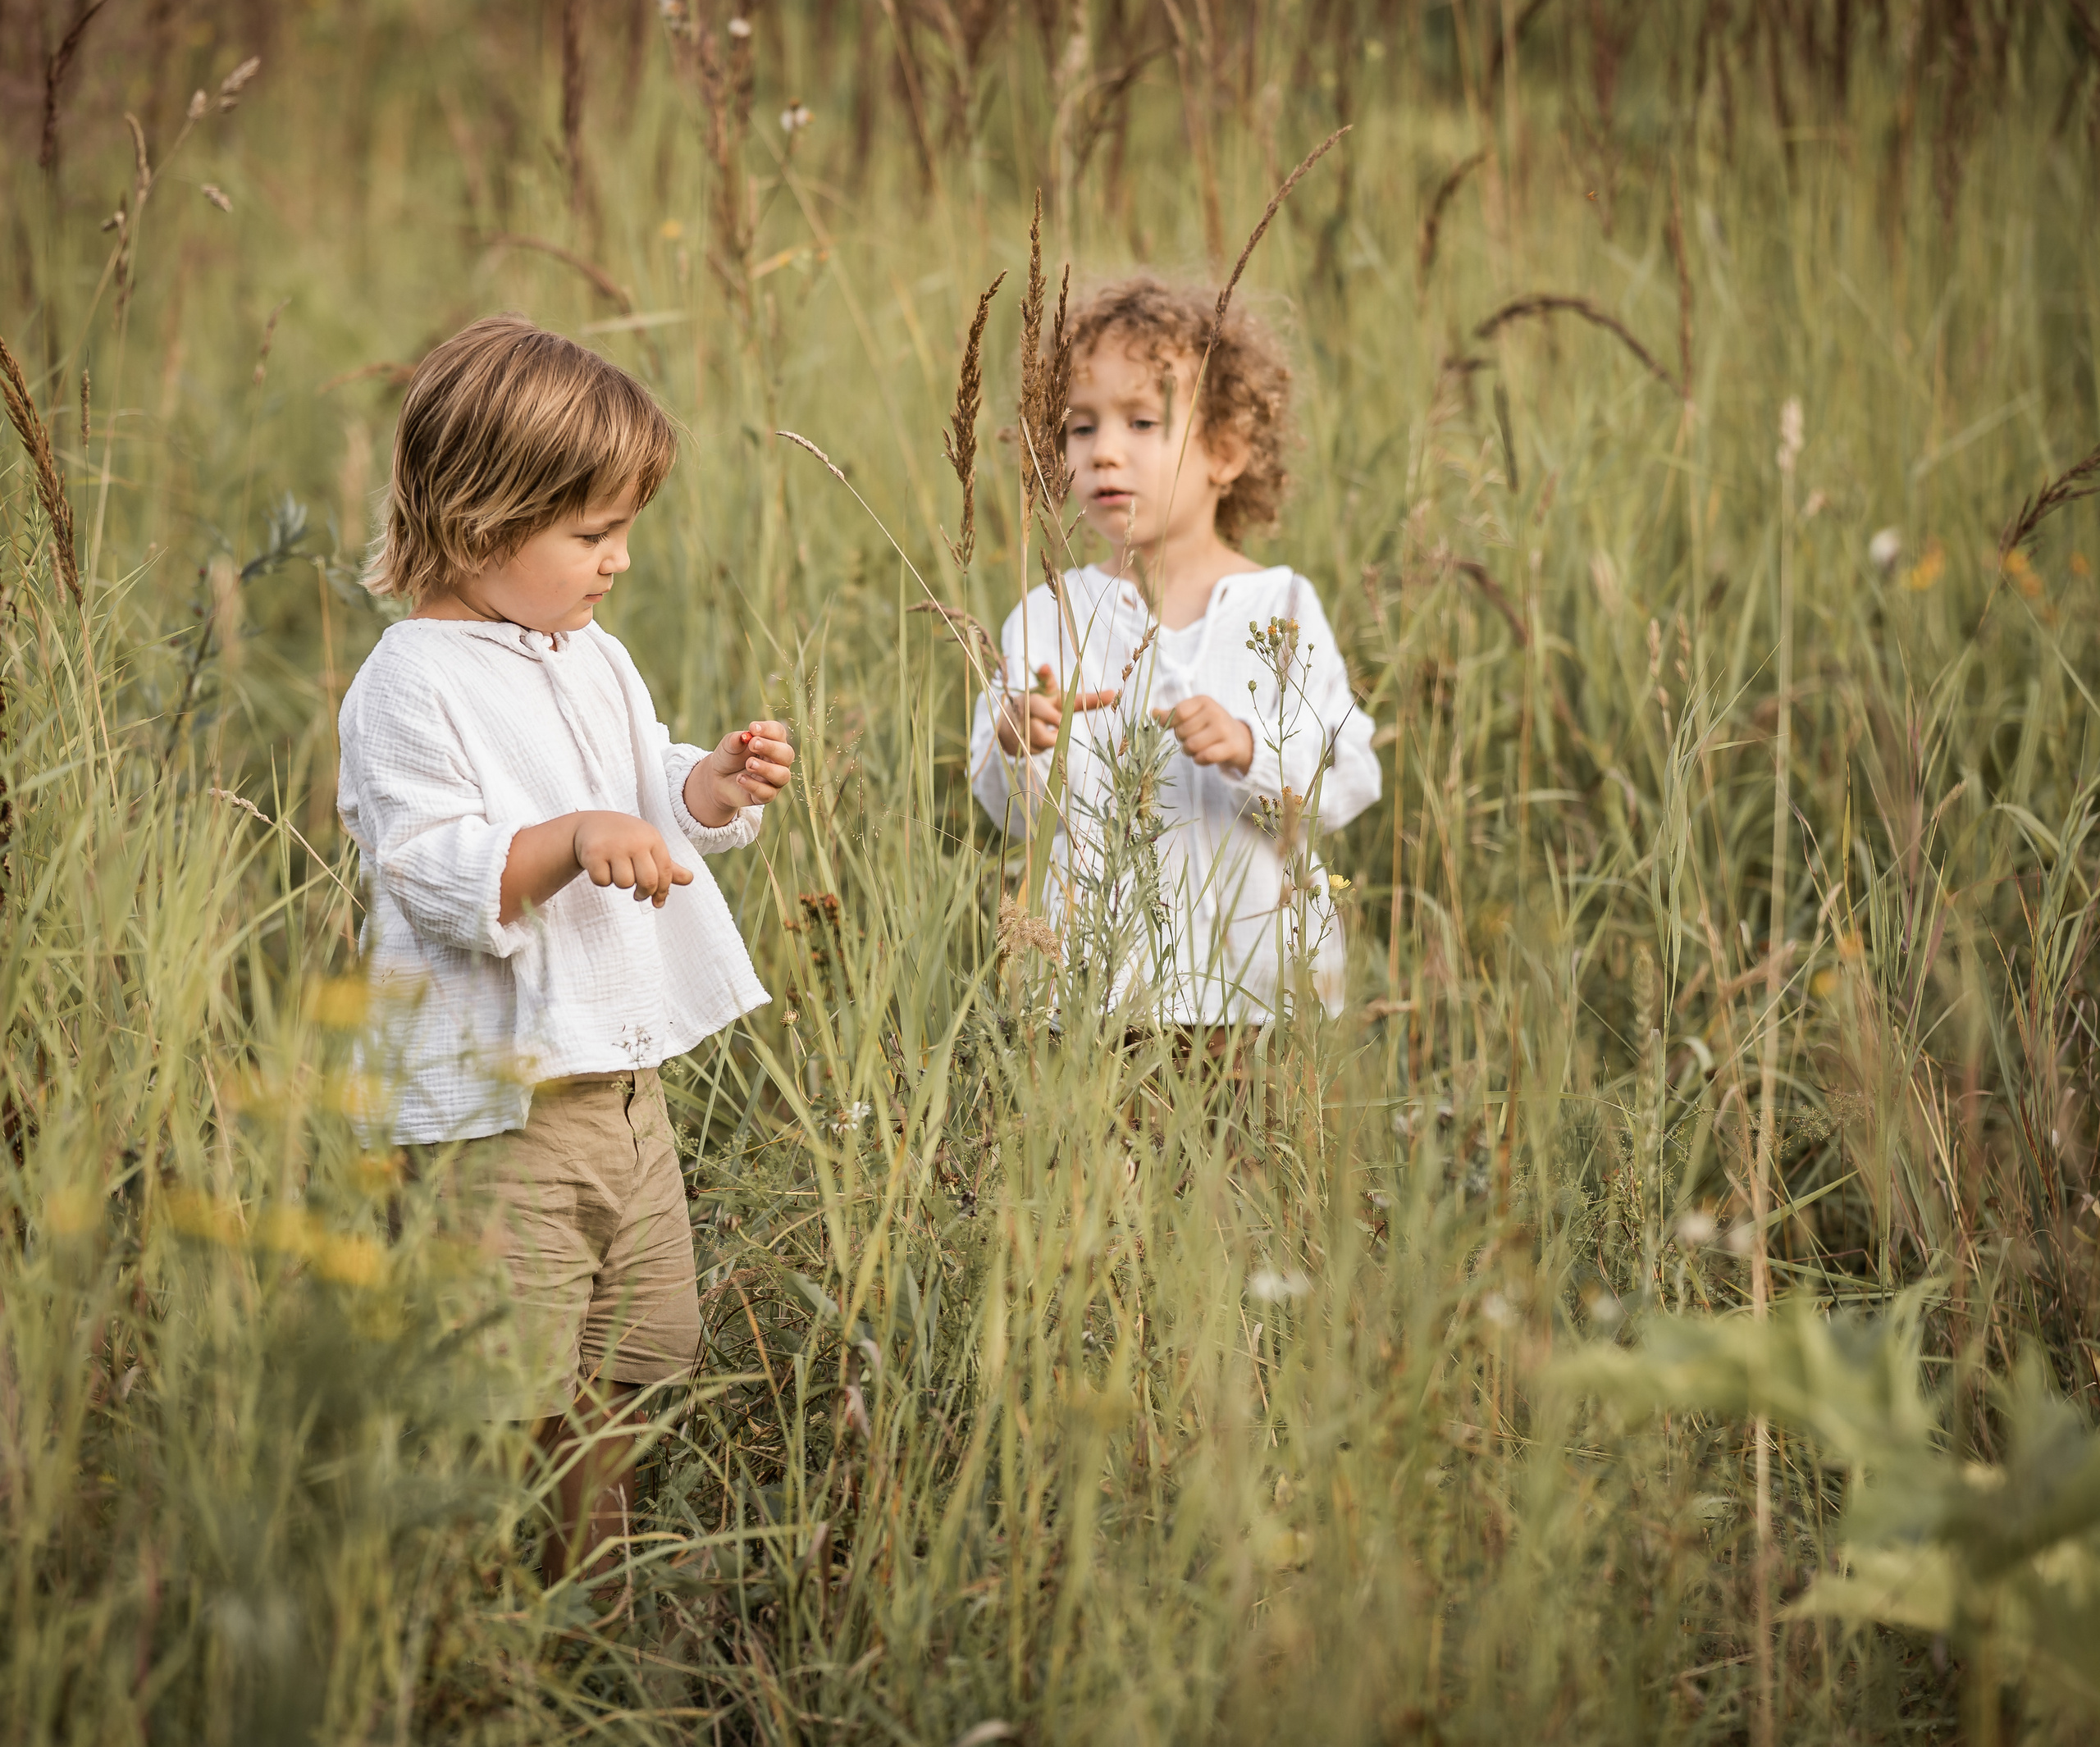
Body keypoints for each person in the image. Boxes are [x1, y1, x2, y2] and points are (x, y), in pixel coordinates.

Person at [337, 314, 795, 1583]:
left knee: (629, 1365)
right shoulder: (411, 679)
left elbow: (642, 787)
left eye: (624, 530)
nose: (619, 561)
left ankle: (590, 1599)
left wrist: (703, 784)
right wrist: (576, 836)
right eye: (593, 534)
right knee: (505, 1388)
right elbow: (434, 868)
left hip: (624, 1082)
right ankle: (485, 1617)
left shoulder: (593, 656)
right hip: (502, 1107)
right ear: (483, 524)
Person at [969, 277, 1379, 1031]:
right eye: (1080, 427)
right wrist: (1017, 739)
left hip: (1264, 996)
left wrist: (1252, 746)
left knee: (1256, 1118)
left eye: (1142, 421)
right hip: (1098, 998)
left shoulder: (1283, 606)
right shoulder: (1049, 614)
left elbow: (1350, 775)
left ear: (1226, 450)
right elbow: (1012, 815)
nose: (1104, 453)